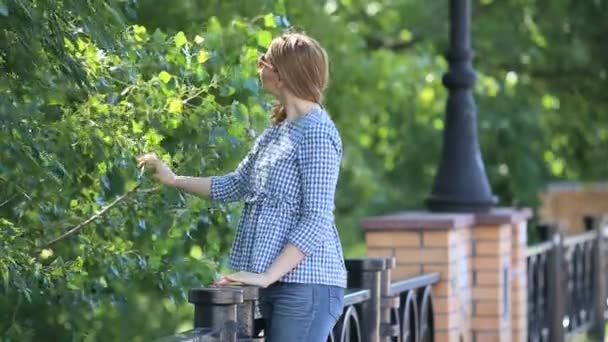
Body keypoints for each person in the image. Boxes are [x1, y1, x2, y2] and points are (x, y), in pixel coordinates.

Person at [137, 32, 346, 341]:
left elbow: (316, 219)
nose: (258, 66)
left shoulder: (316, 133)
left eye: (264, 60)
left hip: (306, 285)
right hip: (278, 284)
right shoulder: (279, 129)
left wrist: (265, 276)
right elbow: (235, 184)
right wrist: (173, 179)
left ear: (283, 73)